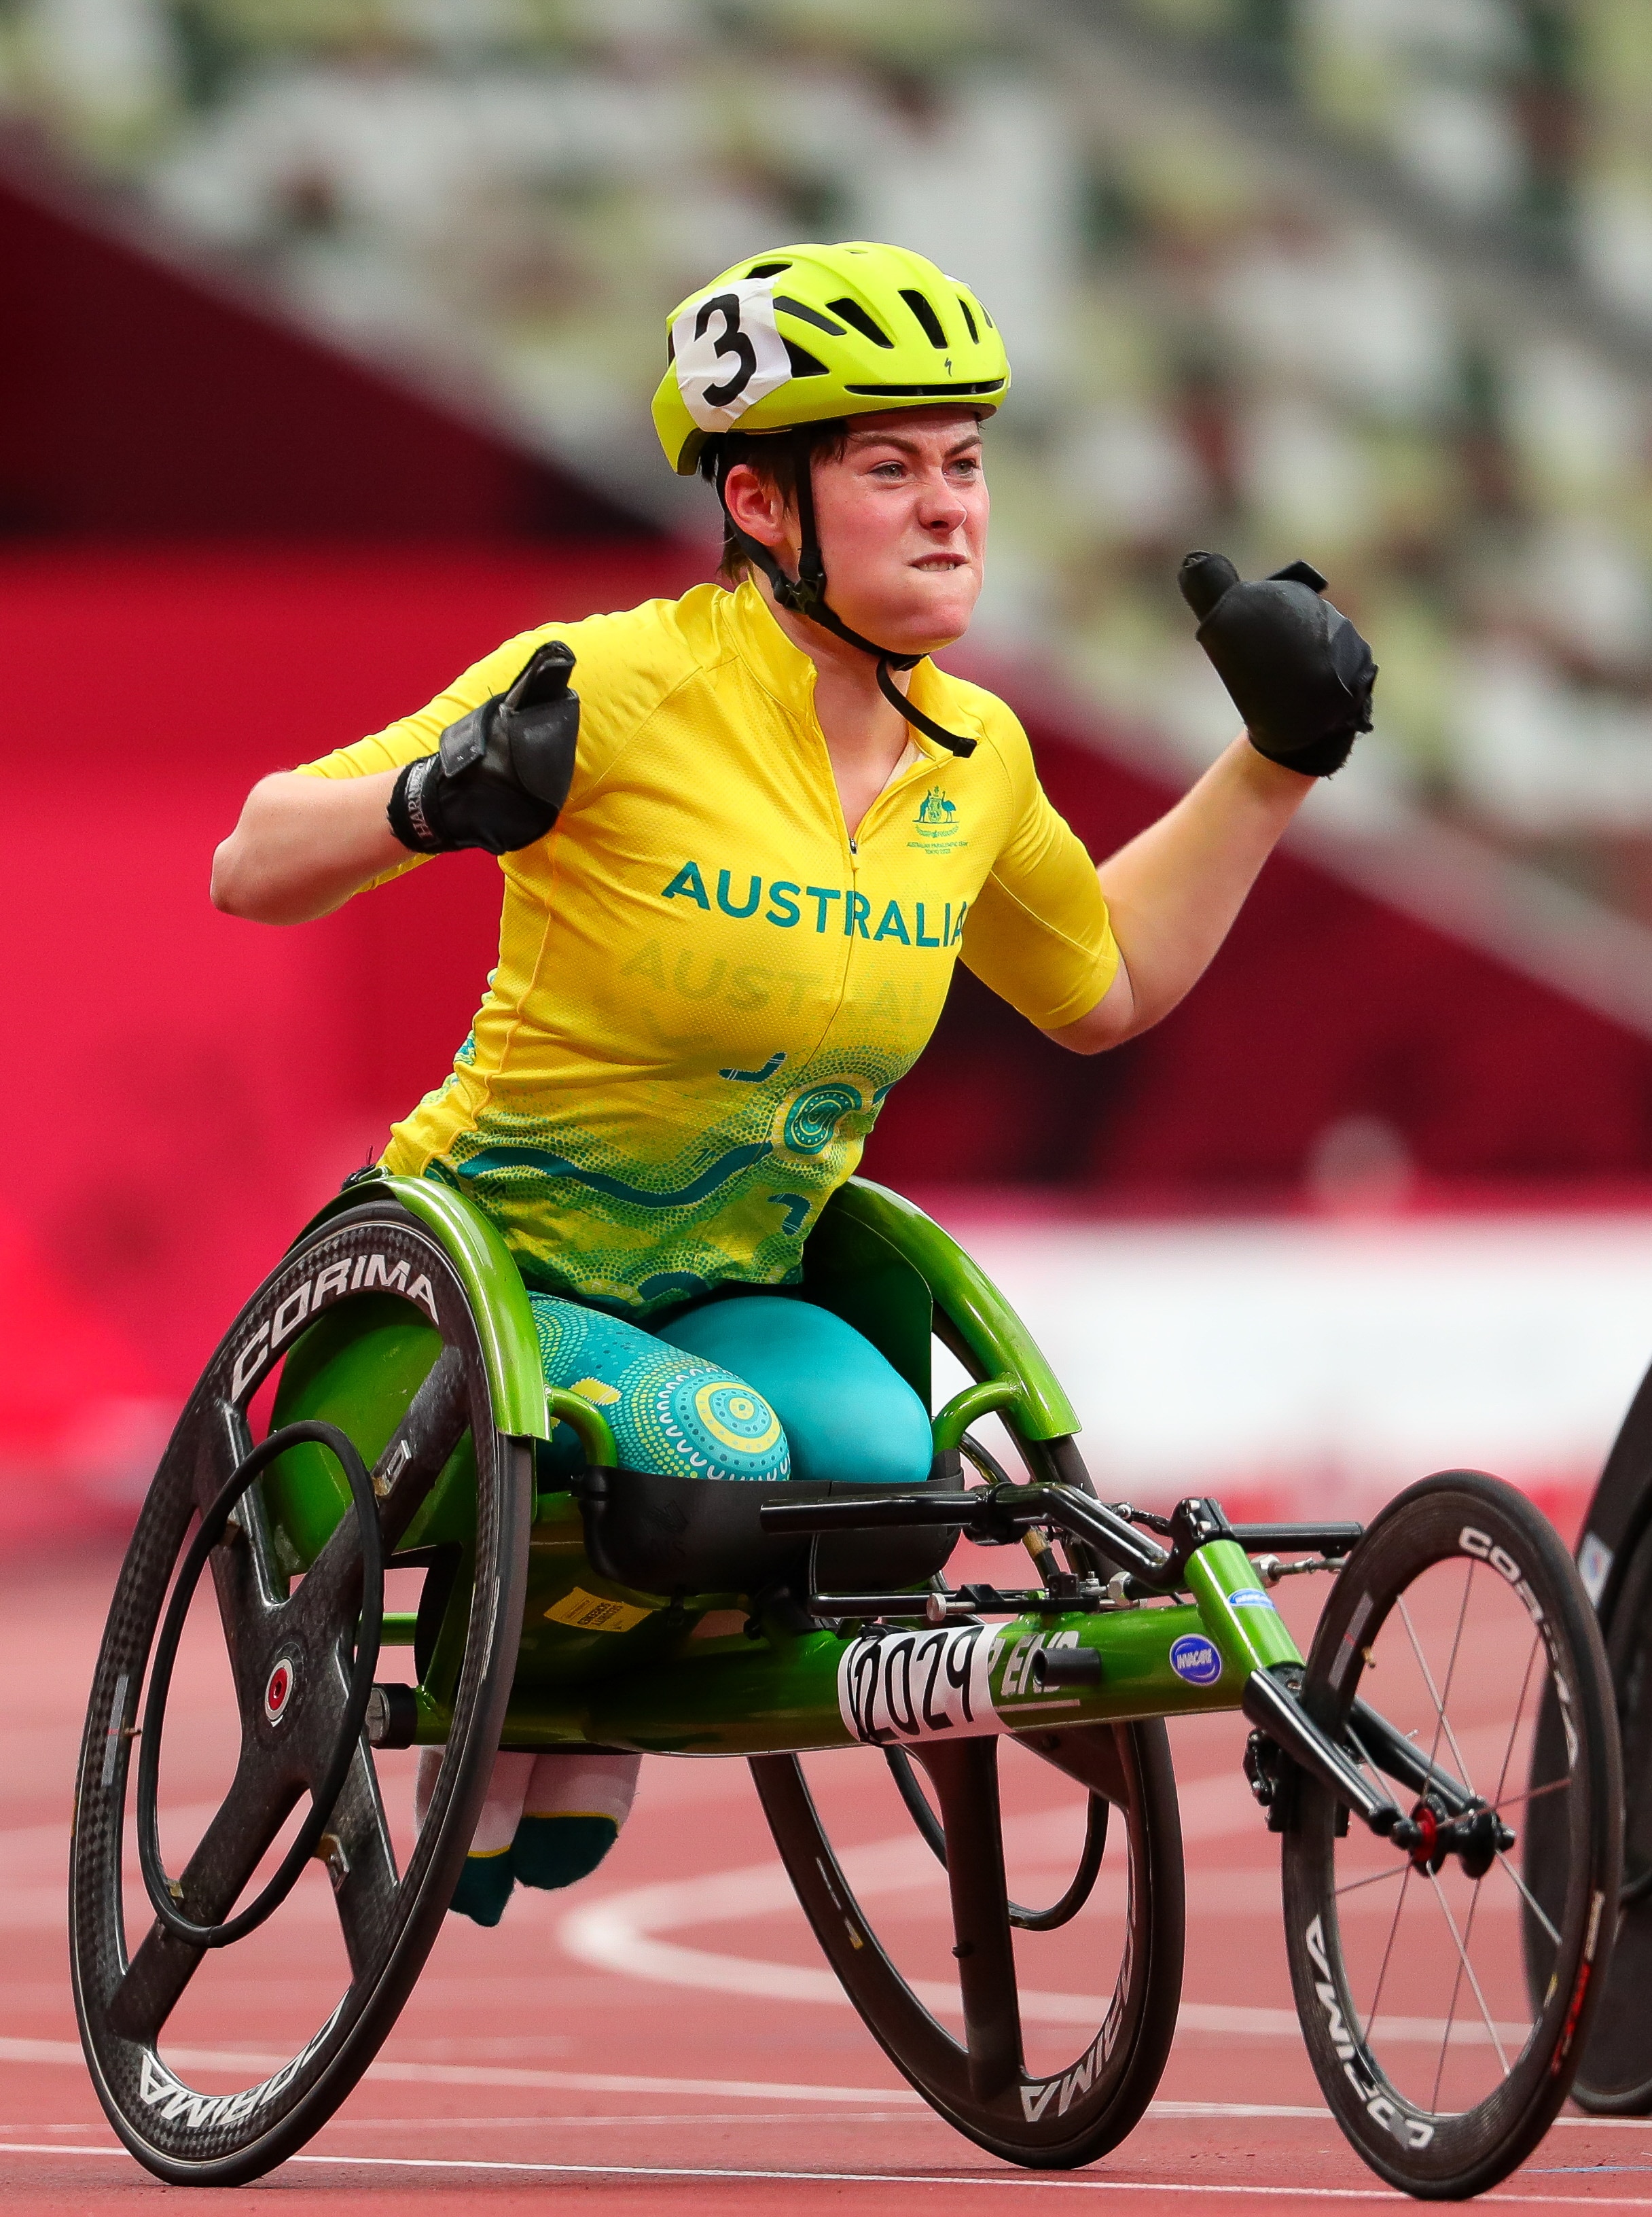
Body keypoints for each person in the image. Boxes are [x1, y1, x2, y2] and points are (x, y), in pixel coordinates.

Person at [211, 241, 1375, 1924]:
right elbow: (253, 864)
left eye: (965, 464)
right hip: (440, 1332)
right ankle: (527, 1661)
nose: (949, 508)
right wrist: (437, 796)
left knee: (877, 1463)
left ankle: (582, 1664)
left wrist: (1271, 765)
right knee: (732, 1446)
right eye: (889, 469)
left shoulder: (973, 761)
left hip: (714, 1297)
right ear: (761, 505)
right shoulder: (613, 683)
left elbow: (1106, 984)